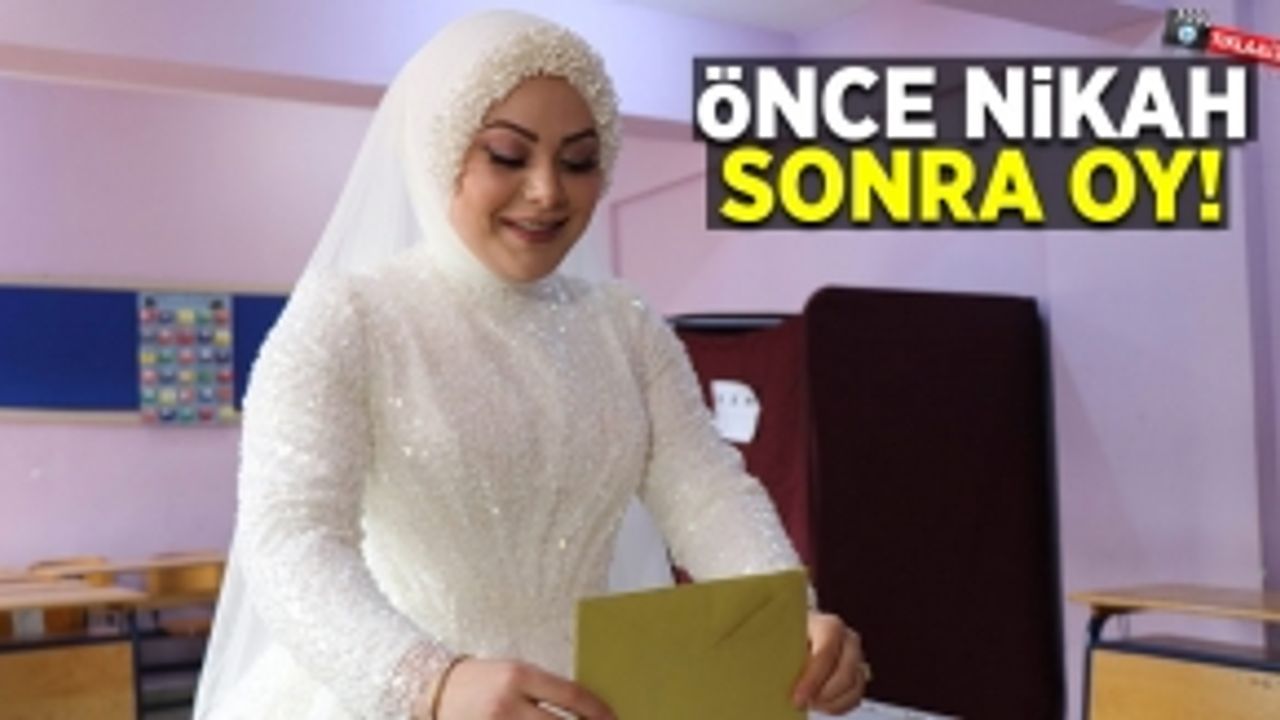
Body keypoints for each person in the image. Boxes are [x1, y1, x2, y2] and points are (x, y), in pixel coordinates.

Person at [194, 10, 868, 720]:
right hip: (397, 687)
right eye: (508, 156)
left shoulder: (626, 327)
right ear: (438, 150)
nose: (548, 191)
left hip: (596, 691)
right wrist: (431, 683)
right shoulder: (347, 319)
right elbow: (290, 539)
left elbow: (707, 493)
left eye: (578, 161)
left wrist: (787, 614)